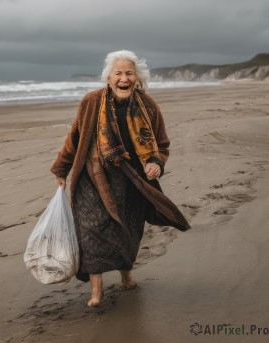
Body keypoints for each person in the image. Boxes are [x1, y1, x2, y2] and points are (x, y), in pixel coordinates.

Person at [50, 50, 190, 307]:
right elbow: (74, 138)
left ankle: (126, 275)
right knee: (92, 231)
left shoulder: (148, 106)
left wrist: (156, 163)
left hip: (133, 181)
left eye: (129, 73)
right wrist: (61, 169)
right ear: (109, 77)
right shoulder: (91, 102)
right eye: (118, 73)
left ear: (137, 78)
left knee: (127, 232)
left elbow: (161, 144)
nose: (124, 78)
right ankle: (96, 291)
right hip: (94, 177)